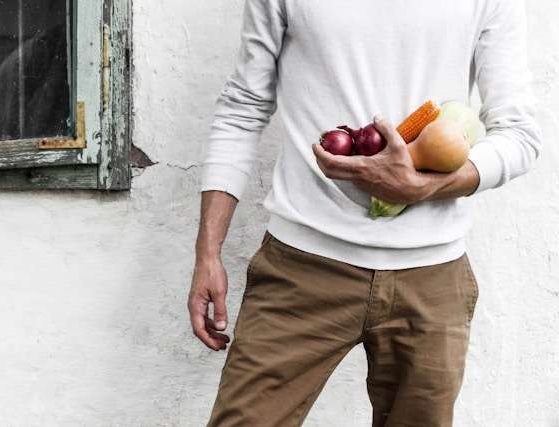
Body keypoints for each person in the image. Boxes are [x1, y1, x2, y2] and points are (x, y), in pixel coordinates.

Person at [188, 0, 542, 425]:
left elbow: (518, 134)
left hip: (431, 280)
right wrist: (208, 253)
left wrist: (422, 187)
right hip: (301, 269)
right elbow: (242, 109)